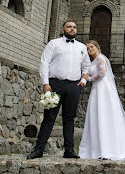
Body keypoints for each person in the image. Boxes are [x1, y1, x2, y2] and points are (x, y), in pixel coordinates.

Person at [27, 21, 91, 159]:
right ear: (63, 29)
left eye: (74, 27)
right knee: (49, 118)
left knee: (69, 119)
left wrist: (83, 81)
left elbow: (86, 66)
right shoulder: (53, 43)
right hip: (55, 84)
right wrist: (45, 83)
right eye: (69, 26)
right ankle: (39, 150)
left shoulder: (81, 47)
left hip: (74, 86)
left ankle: (69, 150)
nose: (72, 29)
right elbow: (45, 63)